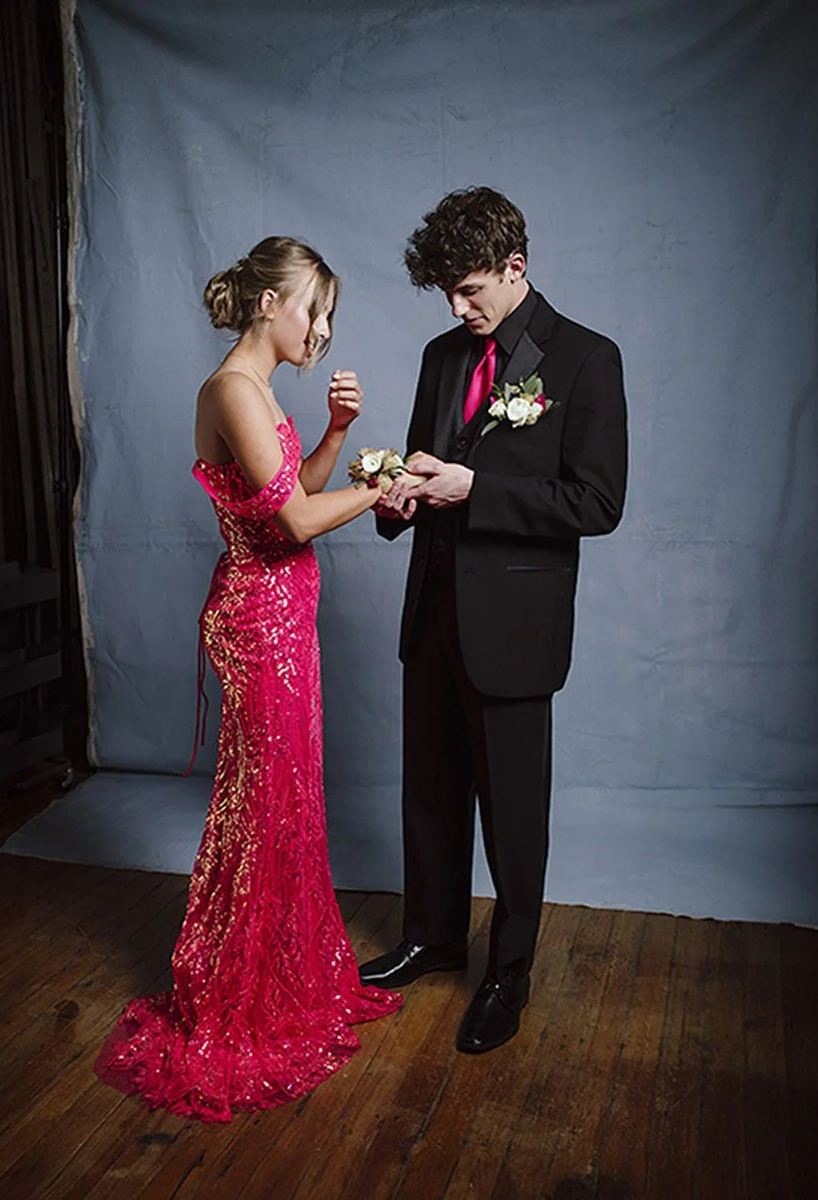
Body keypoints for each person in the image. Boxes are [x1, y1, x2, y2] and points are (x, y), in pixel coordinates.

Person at [95, 236, 401, 1121]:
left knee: (286, 802)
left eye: (330, 317)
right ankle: (243, 995)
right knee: (264, 806)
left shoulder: (259, 390)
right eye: (315, 310)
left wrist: (337, 436)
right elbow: (295, 523)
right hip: (259, 625)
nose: (323, 331)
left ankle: (282, 979)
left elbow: (285, 497)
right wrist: (384, 485)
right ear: (270, 303)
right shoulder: (232, 388)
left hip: (284, 618)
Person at [359, 188, 628, 1054]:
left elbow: (597, 502)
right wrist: (396, 499)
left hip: (513, 624)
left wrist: (476, 489)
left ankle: (509, 971)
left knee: (513, 812)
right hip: (432, 612)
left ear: (516, 267)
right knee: (430, 793)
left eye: (470, 290)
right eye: (446, 291)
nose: (456, 308)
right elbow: (421, 469)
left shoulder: (586, 358)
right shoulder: (443, 356)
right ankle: (432, 938)